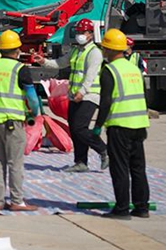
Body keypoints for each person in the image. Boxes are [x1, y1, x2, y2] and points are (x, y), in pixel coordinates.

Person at [32, 19, 109, 172]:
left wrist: (82, 91)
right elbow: (60, 63)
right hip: (75, 95)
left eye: (83, 32)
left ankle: (104, 150)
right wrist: (43, 62)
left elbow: (90, 76)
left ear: (90, 34)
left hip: (89, 96)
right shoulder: (76, 51)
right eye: (79, 32)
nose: (80, 35)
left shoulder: (94, 53)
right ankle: (81, 162)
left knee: (80, 128)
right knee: (74, 129)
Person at [93, 29, 151, 220]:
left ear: (108, 49)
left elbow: (106, 102)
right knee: (138, 168)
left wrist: (98, 125)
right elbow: (143, 95)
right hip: (139, 125)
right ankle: (142, 208)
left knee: (119, 168)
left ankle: (122, 208)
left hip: (120, 125)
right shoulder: (134, 69)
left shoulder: (109, 70)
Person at [0, 30, 39, 211]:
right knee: (15, 162)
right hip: (11, 121)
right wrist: (34, 114)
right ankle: (17, 201)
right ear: (17, 50)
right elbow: (32, 97)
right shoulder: (20, 69)